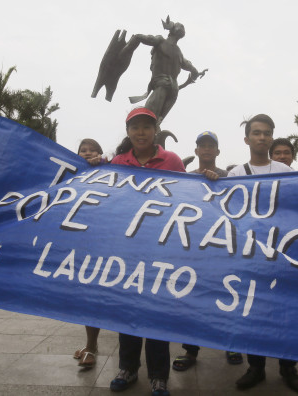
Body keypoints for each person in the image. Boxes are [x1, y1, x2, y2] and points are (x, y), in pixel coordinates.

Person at [228, 114, 298, 394]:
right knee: (253, 313)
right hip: (250, 256)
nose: (262, 137)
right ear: (247, 138)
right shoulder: (236, 174)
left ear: (272, 137)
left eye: (267, 133)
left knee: (286, 314)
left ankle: (289, 369)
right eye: (257, 133)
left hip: (283, 256)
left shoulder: (287, 172)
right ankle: (256, 368)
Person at [109, 107, 184, 396]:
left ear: (156, 130)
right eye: (135, 127)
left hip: (161, 249)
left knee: (156, 314)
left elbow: (190, 198)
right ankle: (127, 369)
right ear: (128, 131)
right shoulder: (118, 161)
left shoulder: (173, 160)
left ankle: (158, 376)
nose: (140, 132)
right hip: (125, 250)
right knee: (126, 311)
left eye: (146, 127)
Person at [173, 131, 239, 372]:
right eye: (203, 145)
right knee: (192, 299)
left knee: (226, 296)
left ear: (218, 151)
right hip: (192, 247)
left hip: (222, 246)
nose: (207, 149)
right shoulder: (185, 178)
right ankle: (190, 350)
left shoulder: (228, 177)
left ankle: (230, 343)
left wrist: (219, 184)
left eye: (212, 145)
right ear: (197, 151)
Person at [74, 138, 105, 368]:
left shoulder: (108, 171)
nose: (86, 153)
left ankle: (92, 347)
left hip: (104, 245)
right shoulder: (73, 175)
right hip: (82, 244)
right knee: (86, 300)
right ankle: (90, 344)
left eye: (92, 150)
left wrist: (103, 163)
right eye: (82, 150)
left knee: (94, 299)